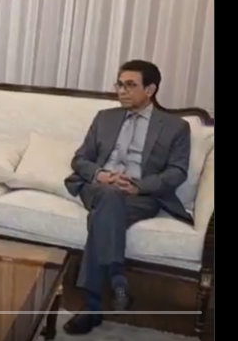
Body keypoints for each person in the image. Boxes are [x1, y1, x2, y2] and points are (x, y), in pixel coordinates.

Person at [62, 60, 192, 335]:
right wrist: (101, 175)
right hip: (98, 188)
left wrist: (139, 186)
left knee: (103, 217)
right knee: (109, 197)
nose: (121, 91)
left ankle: (92, 307)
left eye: (130, 85)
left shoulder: (176, 127)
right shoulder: (104, 118)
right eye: (119, 84)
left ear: (150, 89)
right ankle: (117, 276)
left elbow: (177, 172)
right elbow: (80, 159)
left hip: (140, 195)